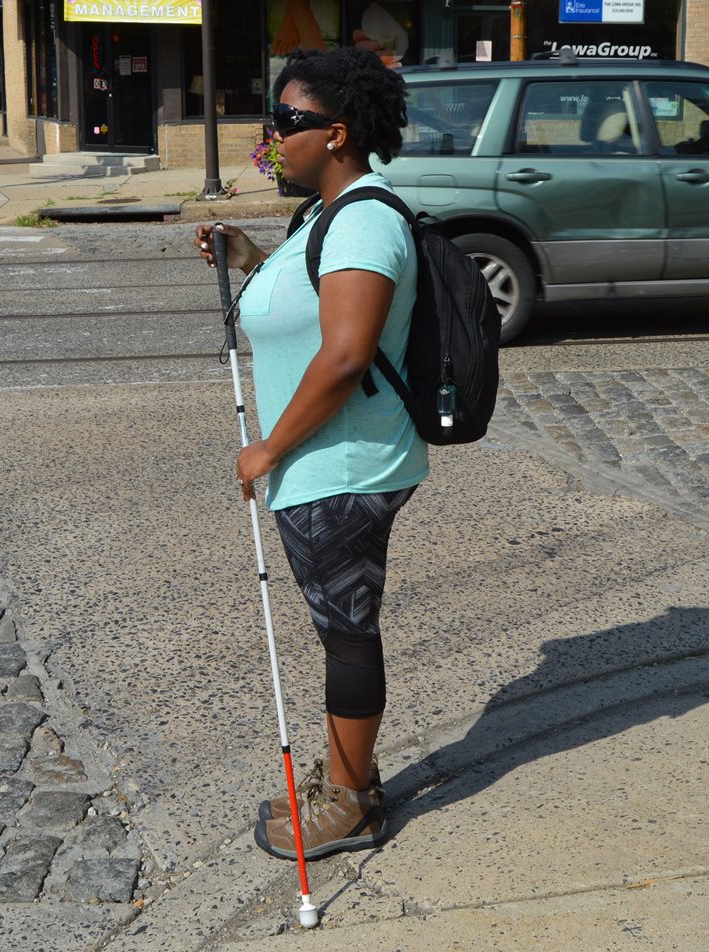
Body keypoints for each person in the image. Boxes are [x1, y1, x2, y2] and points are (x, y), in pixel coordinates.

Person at [194, 47, 428, 861]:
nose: (271, 139)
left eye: (284, 124)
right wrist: (250, 263)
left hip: (344, 464)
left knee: (348, 634)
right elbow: (311, 306)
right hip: (326, 461)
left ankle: (354, 801)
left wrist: (268, 449)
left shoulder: (363, 217)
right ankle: (345, 776)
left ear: (334, 134)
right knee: (343, 631)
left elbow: (345, 354)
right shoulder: (327, 213)